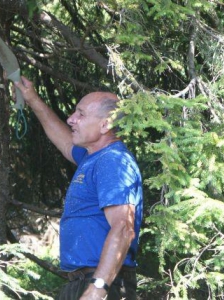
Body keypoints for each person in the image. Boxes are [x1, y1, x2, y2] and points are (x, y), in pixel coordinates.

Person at [14, 77, 143, 300]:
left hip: (103, 283)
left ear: (105, 125)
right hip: (82, 282)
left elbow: (123, 227)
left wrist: (98, 287)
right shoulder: (91, 157)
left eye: (81, 114)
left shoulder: (112, 161)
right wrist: (32, 98)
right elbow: (64, 141)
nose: (71, 119)